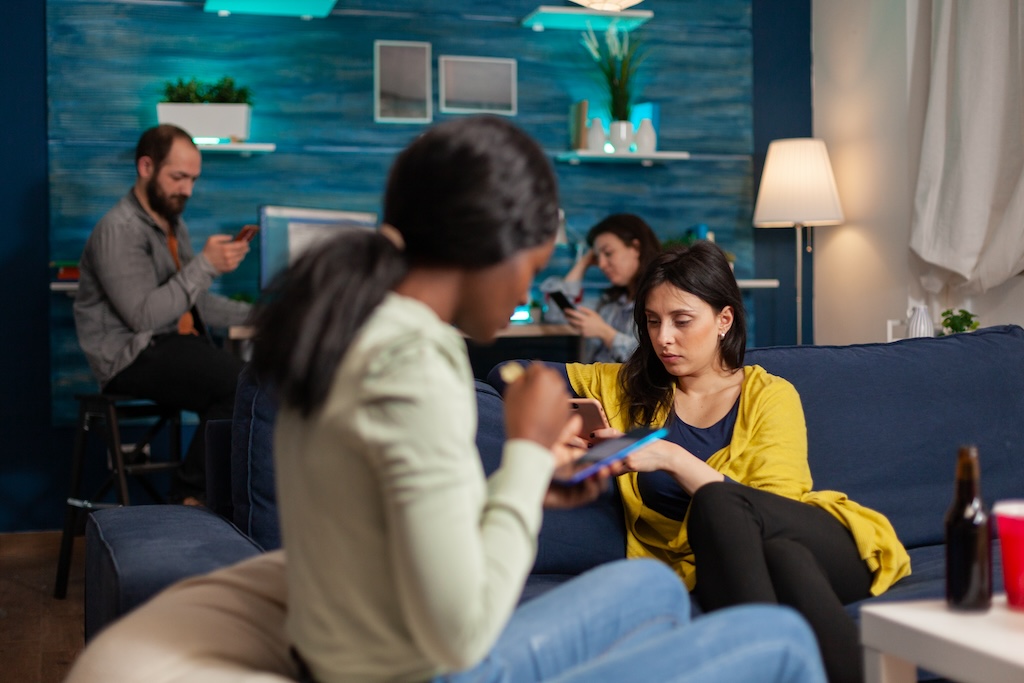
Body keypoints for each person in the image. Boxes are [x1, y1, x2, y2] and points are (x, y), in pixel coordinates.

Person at [242, 117, 828, 683]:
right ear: (489, 246)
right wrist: (523, 450)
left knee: (653, 587)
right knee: (785, 640)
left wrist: (536, 482)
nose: (528, 291)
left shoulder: (355, 321)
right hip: (422, 667)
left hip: (351, 647)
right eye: (534, 267)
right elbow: (460, 633)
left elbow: (416, 533)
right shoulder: (416, 367)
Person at [565, 242, 912, 683]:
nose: (663, 338)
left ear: (723, 320)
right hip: (746, 561)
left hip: (821, 538)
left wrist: (670, 457)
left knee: (719, 504)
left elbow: (773, 506)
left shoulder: (771, 395)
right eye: (652, 322)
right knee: (782, 560)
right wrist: (562, 428)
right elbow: (510, 374)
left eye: (681, 321)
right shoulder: (632, 390)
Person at [74, 124, 252, 504]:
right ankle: (189, 500)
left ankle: (213, 499)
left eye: (193, 179)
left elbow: (194, 303)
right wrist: (205, 264)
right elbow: (143, 316)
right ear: (145, 167)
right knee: (240, 384)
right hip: (129, 356)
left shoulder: (172, 224)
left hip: (168, 344)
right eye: (178, 177)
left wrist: (264, 316)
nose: (187, 189)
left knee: (248, 381)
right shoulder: (118, 230)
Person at [542, 213, 660, 363]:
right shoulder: (610, 303)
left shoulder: (658, 300)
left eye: (608, 253)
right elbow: (555, 316)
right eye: (597, 257)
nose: (601, 265)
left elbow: (654, 359)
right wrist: (583, 264)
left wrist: (606, 334)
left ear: (636, 248)